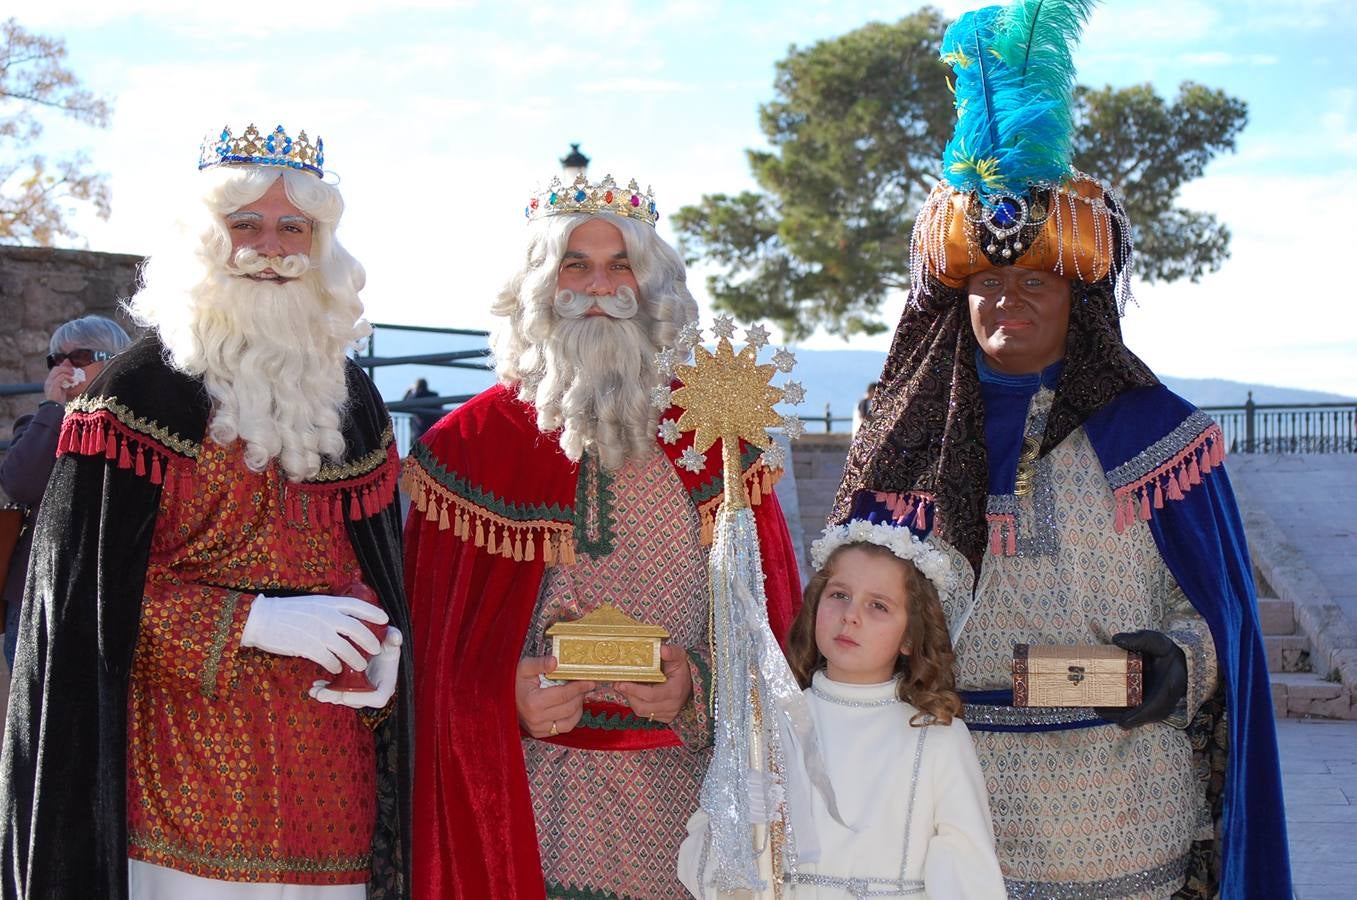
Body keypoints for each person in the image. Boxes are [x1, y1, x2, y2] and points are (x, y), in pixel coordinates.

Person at [831, 3, 1289, 898]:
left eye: (1034, 279)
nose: (1007, 298)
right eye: (987, 280)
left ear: (1078, 299)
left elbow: (1220, 617)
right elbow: (844, 606)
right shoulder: (896, 440)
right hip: (938, 806)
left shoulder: (1161, 439)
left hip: (1120, 817)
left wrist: (1177, 662)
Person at [0, 123, 412, 899]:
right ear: (205, 239)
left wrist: (387, 645)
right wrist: (253, 622)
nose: (272, 247)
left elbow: (376, 563)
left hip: (331, 785)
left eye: (294, 228)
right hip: (179, 787)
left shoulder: (354, 398)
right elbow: (84, 595)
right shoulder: (134, 394)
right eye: (246, 224)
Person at [402, 173, 803, 900]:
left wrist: (698, 684)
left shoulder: (718, 436)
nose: (598, 287)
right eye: (574, 265)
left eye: (621, 265)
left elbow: (775, 630)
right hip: (530, 805)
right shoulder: (466, 449)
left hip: (693, 814)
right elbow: (427, 655)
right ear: (537, 285)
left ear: (653, 287)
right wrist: (501, 693)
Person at [678, 520, 1005, 899]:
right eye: (839, 595)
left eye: (878, 605)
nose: (851, 615)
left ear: (910, 637)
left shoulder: (936, 738)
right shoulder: (769, 725)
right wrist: (739, 823)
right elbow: (701, 866)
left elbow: (967, 872)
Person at [1, 315, 131, 668]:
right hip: (37, 595)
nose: (65, 368)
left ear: (112, 361)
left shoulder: (138, 430)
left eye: (80, 357)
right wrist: (53, 409)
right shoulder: (42, 424)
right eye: (56, 359)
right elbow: (20, 482)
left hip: (105, 594)